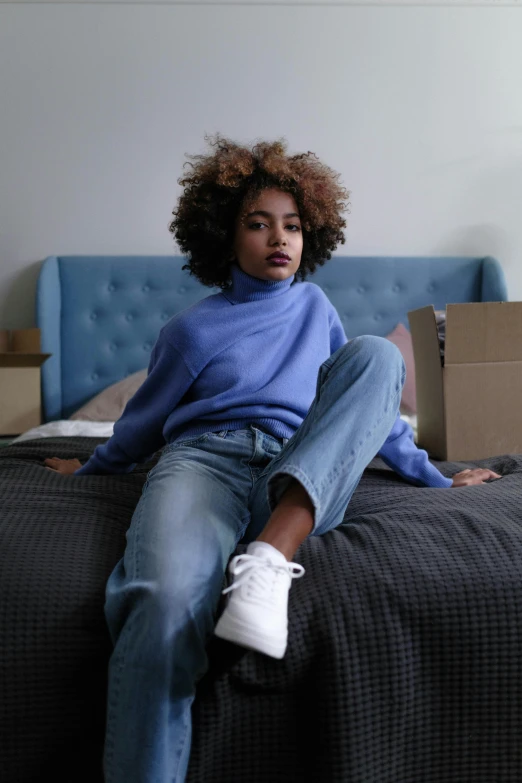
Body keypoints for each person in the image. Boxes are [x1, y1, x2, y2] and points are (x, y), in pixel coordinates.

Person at [44, 134, 501, 783]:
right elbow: (138, 426)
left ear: (309, 233)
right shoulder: (190, 331)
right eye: (258, 224)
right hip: (204, 463)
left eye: (291, 225)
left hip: (297, 470)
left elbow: (370, 418)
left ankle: (270, 554)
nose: (278, 238)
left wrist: (438, 477)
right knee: (163, 600)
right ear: (225, 237)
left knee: (378, 356)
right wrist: (86, 471)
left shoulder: (318, 310)